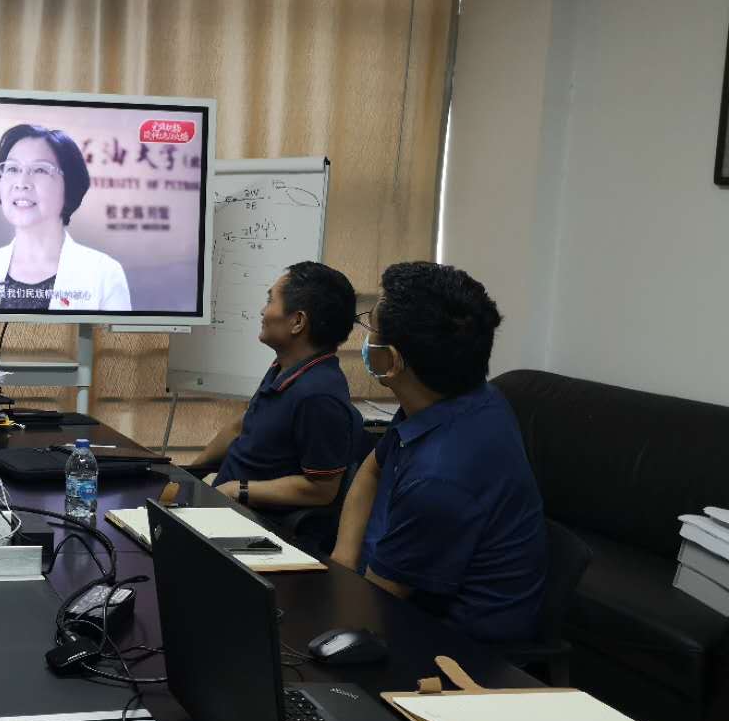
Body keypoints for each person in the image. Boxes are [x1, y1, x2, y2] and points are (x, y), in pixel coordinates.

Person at [330, 261, 546, 644]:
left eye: (370, 327)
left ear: (392, 361)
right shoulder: (456, 397)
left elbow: (373, 612)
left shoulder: (441, 476)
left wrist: (334, 598)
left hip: (451, 648)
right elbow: (374, 468)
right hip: (391, 588)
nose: (364, 335)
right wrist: (341, 564)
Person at [197, 262, 362, 549]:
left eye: (270, 300)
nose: (263, 311)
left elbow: (322, 489)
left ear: (297, 321)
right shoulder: (284, 367)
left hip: (257, 528)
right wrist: (189, 472)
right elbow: (241, 426)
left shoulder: (319, 396)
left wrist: (238, 490)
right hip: (225, 507)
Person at [0, 124, 131, 311]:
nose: (21, 183)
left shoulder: (104, 274)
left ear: (69, 185)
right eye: (12, 169)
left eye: (40, 170)